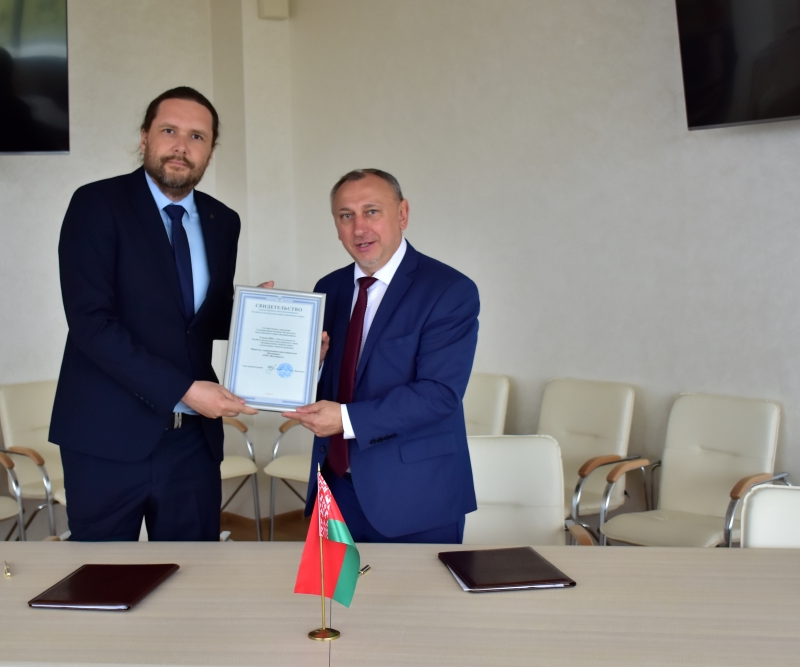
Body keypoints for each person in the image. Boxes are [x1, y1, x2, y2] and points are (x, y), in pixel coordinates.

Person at [50, 87, 262, 541]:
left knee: (194, 575)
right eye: (169, 131)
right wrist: (183, 389)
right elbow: (92, 324)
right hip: (106, 438)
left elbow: (200, 319)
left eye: (197, 136)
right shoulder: (96, 204)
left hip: (192, 444)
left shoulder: (222, 220)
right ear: (145, 137)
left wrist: (265, 322)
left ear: (210, 151)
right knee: (105, 575)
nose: (182, 146)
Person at [282, 169, 479, 543]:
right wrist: (311, 365)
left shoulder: (449, 290)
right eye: (346, 215)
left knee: (417, 586)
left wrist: (344, 419)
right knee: (340, 586)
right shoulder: (329, 288)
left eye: (371, 211)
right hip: (336, 489)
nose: (359, 228)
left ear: (402, 213)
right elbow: (335, 382)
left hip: (415, 495)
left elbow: (439, 394)